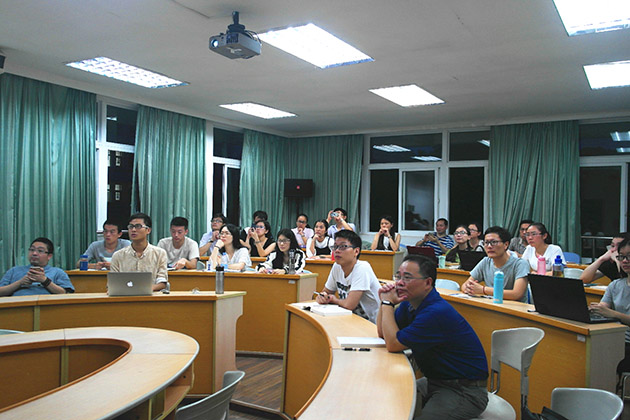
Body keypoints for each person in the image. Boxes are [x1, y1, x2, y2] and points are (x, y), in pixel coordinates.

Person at [377, 255, 488, 419]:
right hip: (435, 381)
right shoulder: (410, 303)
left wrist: (387, 303)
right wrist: (384, 301)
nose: (399, 282)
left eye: (407, 278)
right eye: (398, 276)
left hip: (464, 390)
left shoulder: (435, 312)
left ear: (428, 283)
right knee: (389, 400)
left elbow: (393, 344)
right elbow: (383, 333)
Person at [315, 230, 381, 323]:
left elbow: (349, 305)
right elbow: (326, 292)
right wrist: (322, 297)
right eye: (335, 247)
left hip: (374, 324)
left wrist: (334, 300)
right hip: (352, 320)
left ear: (356, 251)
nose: (337, 250)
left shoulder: (362, 268)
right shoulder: (337, 266)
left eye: (343, 247)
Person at [589, 238, 630, 380]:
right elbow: (603, 308)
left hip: (625, 343)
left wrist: (613, 314)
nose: (625, 261)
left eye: (629, 256)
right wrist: (593, 309)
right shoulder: (616, 284)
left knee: (600, 353)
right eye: (621, 257)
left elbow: (609, 312)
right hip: (616, 338)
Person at [461, 226, 530, 302]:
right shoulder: (486, 261)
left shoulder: (520, 264)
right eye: (486, 243)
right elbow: (464, 286)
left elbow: (516, 294)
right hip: (491, 305)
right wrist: (469, 288)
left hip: (515, 307)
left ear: (506, 244)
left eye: (494, 242)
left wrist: (483, 290)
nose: (489, 246)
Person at [110, 212, 168, 292]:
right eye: (131, 227)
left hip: (151, 296)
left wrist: (147, 289)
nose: (133, 230)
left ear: (148, 230)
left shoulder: (159, 253)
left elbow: (162, 282)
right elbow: (113, 283)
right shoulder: (118, 255)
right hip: (125, 296)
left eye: (138, 226)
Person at [0, 237, 75, 296]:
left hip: (47, 307)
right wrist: (19, 283)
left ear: (49, 256)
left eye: (40, 251)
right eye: (32, 250)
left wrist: (45, 281)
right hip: (18, 307)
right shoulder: (14, 271)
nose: (34, 253)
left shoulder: (57, 272)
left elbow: (65, 294)